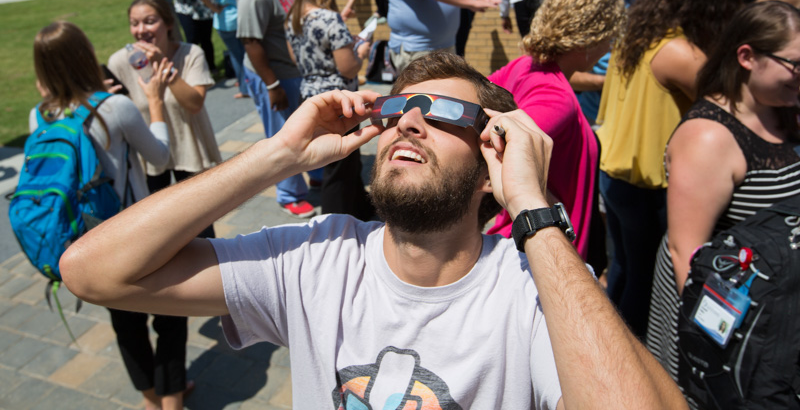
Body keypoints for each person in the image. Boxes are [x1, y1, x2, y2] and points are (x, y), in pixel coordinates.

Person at [61, 51, 690, 410]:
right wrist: (277, 156)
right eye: (396, 109)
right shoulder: (315, 258)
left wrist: (533, 209)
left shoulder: (533, 288)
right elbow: (92, 271)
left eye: (443, 113)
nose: (409, 122)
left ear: (491, 160)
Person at [595, 0, 751, 337]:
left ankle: (611, 340)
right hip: (650, 186)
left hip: (617, 174)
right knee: (648, 282)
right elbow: (740, 103)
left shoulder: (644, 28)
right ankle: (632, 362)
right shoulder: (680, 52)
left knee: (626, 272)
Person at [32, 21, 184, 410]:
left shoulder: (39, 117)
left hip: (86, 238)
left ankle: (150, 399)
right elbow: (160, 158)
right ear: (85, 57)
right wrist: (154, 101)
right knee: (171, 315)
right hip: (133, 231)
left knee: (125, 323)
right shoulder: (113, 107)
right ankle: (172, 399)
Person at [647, 0, 800, 383]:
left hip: (774, 310)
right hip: (729, 325)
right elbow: (688, 253)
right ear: (747, 57)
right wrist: (725, 347)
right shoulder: (708, 138)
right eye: (795, 65)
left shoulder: (785, 109)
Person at [487, 0, 625, 272]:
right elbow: (500, 150)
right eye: (609, 38)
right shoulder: (556, 97)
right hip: (538, 253)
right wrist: (548, 207)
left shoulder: (524, 66)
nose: (609, 47)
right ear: (589, 39)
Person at [236, 0, 323, 218]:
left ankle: (316, 174)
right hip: (272, 76)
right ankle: (290, 195)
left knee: (307, 129)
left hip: (295, 73)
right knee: (283, 137)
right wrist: (273, 86)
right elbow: (250, 40)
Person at [108, 0, 222, 206]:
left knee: (200, 225)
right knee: (159, 229)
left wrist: (163, 65)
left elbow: (194, 104)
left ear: (168, 23)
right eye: (135, 24)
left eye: (149, 21)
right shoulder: (119, 63)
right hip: (148, 158)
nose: (141, 30)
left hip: (189, 152)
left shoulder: (191, 54)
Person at [284, 0, 372, 219]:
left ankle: (361, 210)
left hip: (310, 95)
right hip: (339, 100)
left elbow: (295, 58)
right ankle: (335, 222)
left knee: (346, 162)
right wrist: (362, 51)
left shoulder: (292, 18)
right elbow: (348, 68)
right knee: (339, 167)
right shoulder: (330, 18)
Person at [198, 0, 250, 99]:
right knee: (248, 54)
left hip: (225, 20)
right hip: (244, 17)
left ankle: (245, 88)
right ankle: (252, 84)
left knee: (236, 56)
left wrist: (215, 8)